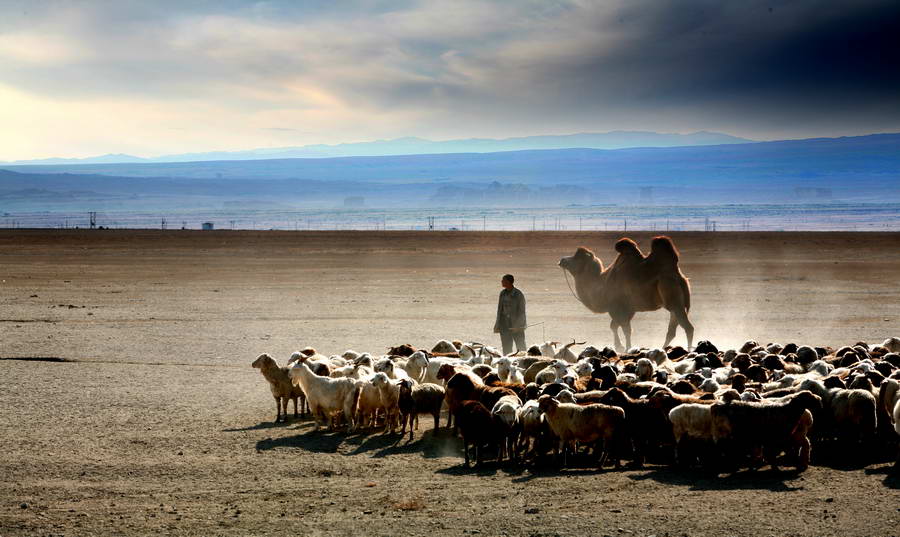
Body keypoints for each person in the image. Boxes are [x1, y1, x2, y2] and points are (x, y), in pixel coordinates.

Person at [493, 273, 526, 354]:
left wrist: (518, 326)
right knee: (506, 348)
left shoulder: (518, 294)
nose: (501, 282)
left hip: (516, 326)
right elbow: (499, 310)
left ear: (508, 282)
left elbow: (522, 311)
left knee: (521, 347)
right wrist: (497, 324)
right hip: (504, 325)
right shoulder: (502, 293)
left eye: (503, 280)